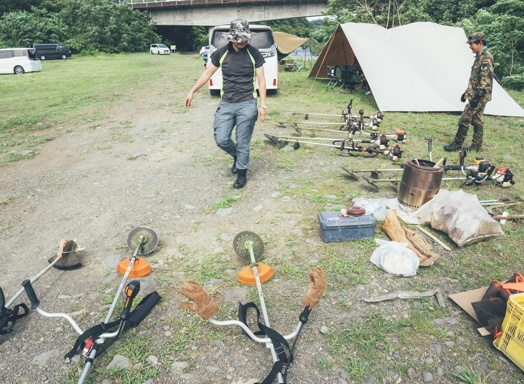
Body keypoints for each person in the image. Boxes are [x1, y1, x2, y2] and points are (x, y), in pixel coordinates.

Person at [184, 19, 267, 189]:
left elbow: (261, 79)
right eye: (241, 39)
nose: (244, 41)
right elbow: (207, 73)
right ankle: (238, 156)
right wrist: (192, 91)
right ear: (232, 39)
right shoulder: (220, 53)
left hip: (247, 103)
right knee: (221, 139)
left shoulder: (254, 53)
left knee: (243, 141)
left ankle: (242, 173)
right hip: (227, 103)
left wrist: (263, 105)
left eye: (246, 38)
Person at [444, 32, 494, 152]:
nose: (470, 47)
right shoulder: (480, 56)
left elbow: (485, 79)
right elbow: (475, 79)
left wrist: (477, 96)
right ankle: (476, 146)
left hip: (480, 96)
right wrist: (466, 93)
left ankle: (457, 144)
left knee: (465, 119)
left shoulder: (486, 57)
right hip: (477, 94)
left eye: (472, 44)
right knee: (477, 119)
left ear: (480, 43)